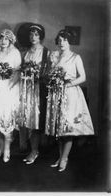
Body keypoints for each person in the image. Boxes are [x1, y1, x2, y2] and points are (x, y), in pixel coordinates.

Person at [45, 29, 94, 172]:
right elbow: (49, 73)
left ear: (69, 42)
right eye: (59, 40)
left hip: (71, 95)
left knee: (67, 127)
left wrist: (67, 84)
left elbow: (83, 77)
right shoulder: (54, 56)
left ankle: (65, 158)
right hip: (56, 94)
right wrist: (52, 79)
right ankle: (61, 157)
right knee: (58, 128)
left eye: (64, 40)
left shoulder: (75, 57)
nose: (62, 43)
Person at [18, 23, 50, 164]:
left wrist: (37, 75)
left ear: (40, 37)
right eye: (31, 34)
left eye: (36, 34)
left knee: (36, 120)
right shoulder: (25, 52)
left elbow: (49, 73)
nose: (33, 37)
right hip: (26, 90)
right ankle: (25, 146)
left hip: (38, 90)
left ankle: (35, 150)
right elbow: (20, 70)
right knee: (25, 119)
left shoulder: (46, 52)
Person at [0, 29, 21, 162]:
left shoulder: (15, 53)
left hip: (9, 88)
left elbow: (17, 72)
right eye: (1, 38)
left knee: (7, 120)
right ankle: (1, 149)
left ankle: (7, 149)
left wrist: (10, 86)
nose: (3, 41)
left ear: (10, 41)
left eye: (6, 39)